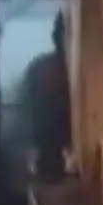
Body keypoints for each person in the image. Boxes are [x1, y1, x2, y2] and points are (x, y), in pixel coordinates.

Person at [19, 11, 72, 183]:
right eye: (63, 33)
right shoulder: (41, 71)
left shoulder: (40, 70)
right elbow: (27, 117)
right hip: (50, 156)